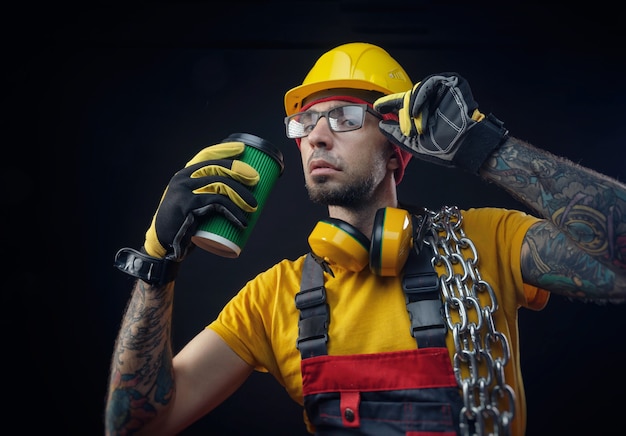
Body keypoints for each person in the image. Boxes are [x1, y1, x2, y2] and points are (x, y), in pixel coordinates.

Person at [105, 42, 626, 436]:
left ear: (399, 148)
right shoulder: (270, 301)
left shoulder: (488, 242)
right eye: (305, 120)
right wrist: (157, 266)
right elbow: (137, 424)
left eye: (345, 116)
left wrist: (486, 147)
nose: (317, 135)